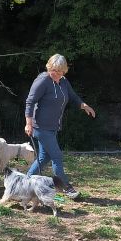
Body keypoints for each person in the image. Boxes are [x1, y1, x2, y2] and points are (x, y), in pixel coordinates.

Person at [24, 54, 96, 199]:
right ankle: (66, 187)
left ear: (64, 71)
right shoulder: (43, 80)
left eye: (59, 71)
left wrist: (84, 105)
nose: (56, 73)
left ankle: (26, 182)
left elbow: (73, 96)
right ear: (49, 67)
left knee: (44, 157)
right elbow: (30, 102)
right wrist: (28, 123)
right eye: (53, 70)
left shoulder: (63, 81)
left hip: (53, 127)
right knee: (57, 156)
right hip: (40, 127)